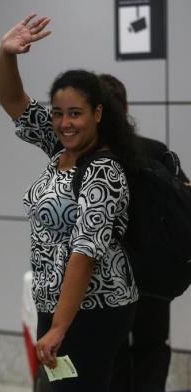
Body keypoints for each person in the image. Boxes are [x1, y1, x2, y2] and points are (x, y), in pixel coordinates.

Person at [0, 14, 142, 391]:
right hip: (55, 303)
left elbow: (85, 253)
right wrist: (6, 53)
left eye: (75, 113)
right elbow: (14, 102)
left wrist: (60, 327)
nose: (64, 123)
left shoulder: (103, 172)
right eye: (58, 113)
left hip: (94, 310)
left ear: (97, 114)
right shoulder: (61, 149)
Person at [101, 73, 190, 392]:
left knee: (110, 353)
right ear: (125, 108)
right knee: (152, 347)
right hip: (154, 273)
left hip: (106, 277)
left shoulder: (91, 158)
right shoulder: (155, 151)